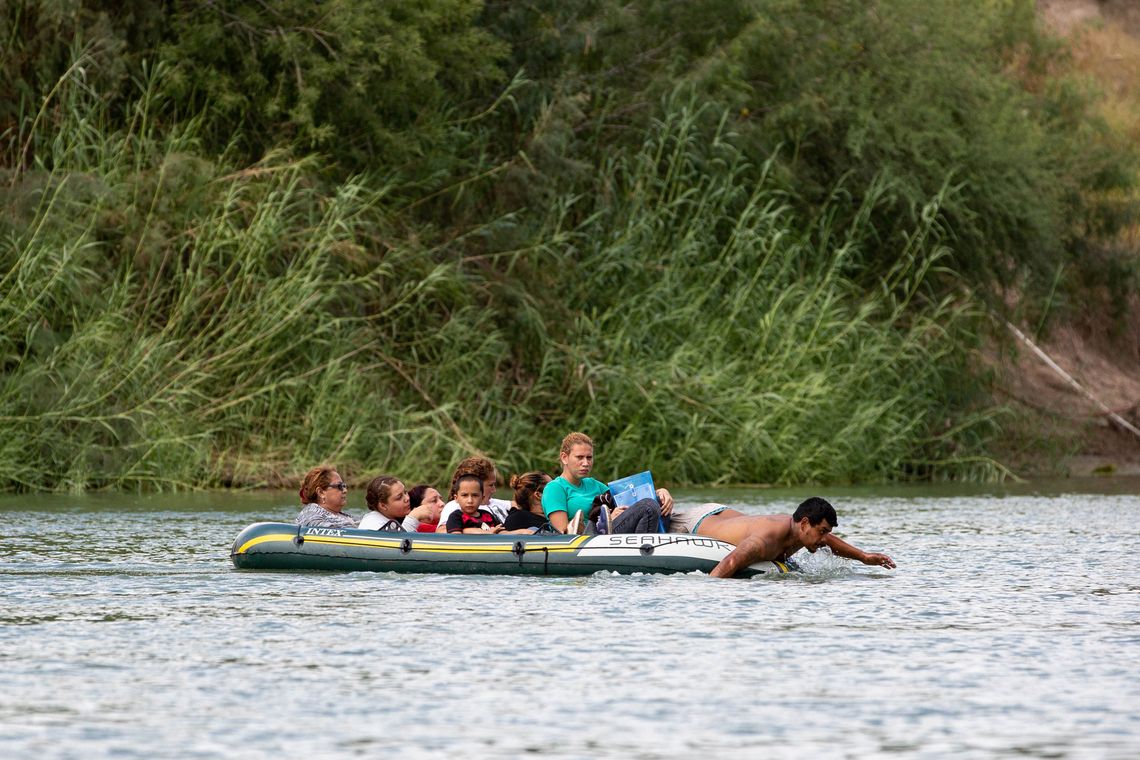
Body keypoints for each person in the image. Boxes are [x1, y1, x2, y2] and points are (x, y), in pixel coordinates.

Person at [667, 496, 896, 579]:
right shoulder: (766, 541)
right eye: (823, 530)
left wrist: (864, 557)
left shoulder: (801, 532)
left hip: (724, 512)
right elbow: (731, 562)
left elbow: (829, 541)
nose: (824, 538)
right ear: (805, 523)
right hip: (697, 522)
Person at [541, 431, 674, 534]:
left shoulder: (594, 484)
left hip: (608, 533)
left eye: (589, 457)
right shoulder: (555, 488)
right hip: (584, 540)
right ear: (564, 458)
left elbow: (633, 498)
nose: (586, 463)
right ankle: (593, 525)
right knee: (648, 506)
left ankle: (649, 548)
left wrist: (660, 492)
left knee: (655, 501)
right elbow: (561, 531)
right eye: (580, 457)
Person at [436, 456, 512, 532]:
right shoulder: (455, 507)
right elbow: (442, 531)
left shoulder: (493, 502)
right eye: (491, 485)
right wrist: (479, 532)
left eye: (475, 495)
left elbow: (518, 504)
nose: (494, 490)